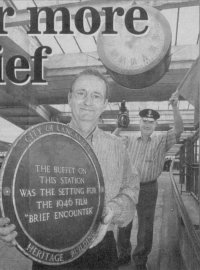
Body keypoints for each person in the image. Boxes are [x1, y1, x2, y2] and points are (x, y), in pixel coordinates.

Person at [0, 69, 139, 270]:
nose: (88, 101)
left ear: (105, 104)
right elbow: (14, 192)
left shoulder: (118, 147)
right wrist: (8, 222)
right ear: (70, 98)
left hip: (101, 249)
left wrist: (111, 210)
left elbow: (131, 191)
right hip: (50, 251)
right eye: (81, 93)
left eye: (96, 95)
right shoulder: (40, 142)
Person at [117, 92, 183, 270]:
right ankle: (122, 254)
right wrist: (118, 126)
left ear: (155, 124)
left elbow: (178, 131)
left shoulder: (162, 140)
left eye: (150, 122)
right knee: (124, 222)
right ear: (139, 123)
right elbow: (111, 143)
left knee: (146, 226)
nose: (147, 124)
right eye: (144, 121)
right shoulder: (129, 140)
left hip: (148, 188)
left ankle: (140, 260)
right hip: (128, 188)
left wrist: (175, 107)